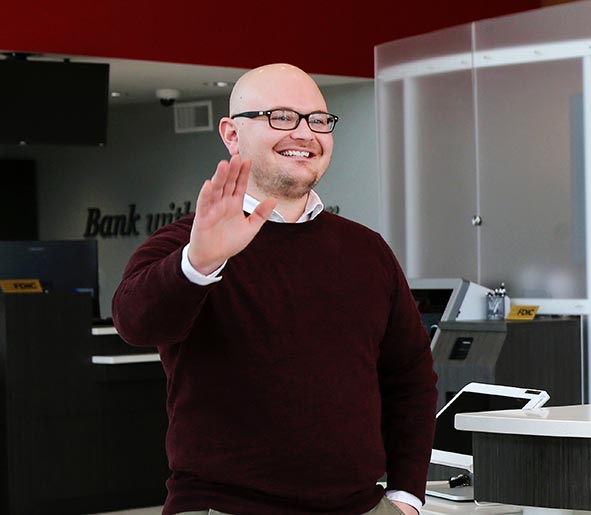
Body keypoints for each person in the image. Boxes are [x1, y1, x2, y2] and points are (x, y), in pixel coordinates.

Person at [112, 63, 437, 515]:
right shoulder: (190, 243)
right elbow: (134, 322)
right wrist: (200, 262)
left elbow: (410, 376)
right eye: (280, 117)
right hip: (223, 506)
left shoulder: (367, 250)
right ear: (231, 134)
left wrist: (406, 495)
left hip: (361, 505)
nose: (304, 133)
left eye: (318, 120)